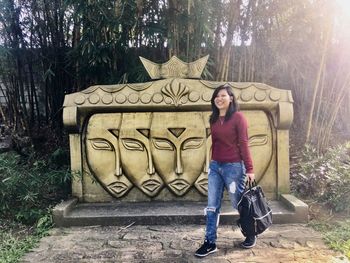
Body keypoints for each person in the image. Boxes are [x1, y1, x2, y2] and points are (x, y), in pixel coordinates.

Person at [195, 84, 256, 258]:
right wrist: (212, 164)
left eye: (223, 95)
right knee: (212, 206)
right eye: (217, 96)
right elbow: (215, 144)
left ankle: (251, 233)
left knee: (238, 203)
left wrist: (250, 169)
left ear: (231, 98)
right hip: (216, 167)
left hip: (234, 169)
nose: (219, 98)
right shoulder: (213, 119)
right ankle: (210, 242)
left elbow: (244, 143)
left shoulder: (238, 118)